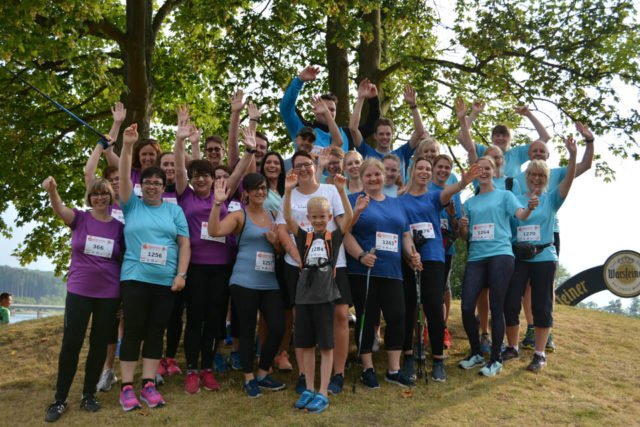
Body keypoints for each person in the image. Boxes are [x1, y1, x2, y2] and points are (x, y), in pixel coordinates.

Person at [175, 114, 255, 393]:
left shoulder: (222, 195)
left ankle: (208, 367)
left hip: (222, 267)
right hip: (195, 265)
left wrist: (250, 150)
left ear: (212, 178)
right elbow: (179, 162)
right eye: (196, 175)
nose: (201, 179)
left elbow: (238, 172)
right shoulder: (185, 195)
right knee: (194, 318)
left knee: (214, 318)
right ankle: (192, 369)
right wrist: (180, 138)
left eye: (205, 175)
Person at [117, 123, 190, 411]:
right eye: (147, 182)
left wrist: (181, 275)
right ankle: (126, 387)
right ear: (141, 185)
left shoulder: (174, 210)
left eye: (157, 183)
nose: (152, 186)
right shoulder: (131, 205)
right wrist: (127, 145)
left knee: (156, 330)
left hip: (165, 282)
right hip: (135, 278)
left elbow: (185, 244)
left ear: (163, 186)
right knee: (133, 329)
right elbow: (123, 174)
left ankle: (148, 383)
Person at [42, 176, 124, 422]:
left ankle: (89, 395)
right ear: (90, 198)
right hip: (79, 292)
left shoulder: (119, 228)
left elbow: (123, 260)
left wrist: (123, 300)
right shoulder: (80, 218)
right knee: (71, 343)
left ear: (110, 197)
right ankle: (60, 399)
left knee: (99, 344)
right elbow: (59, 209)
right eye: (95, 194)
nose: (100, 197)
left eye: (104, 193)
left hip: (109, 294)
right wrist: (53, 191)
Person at [275, 150, 352, 396]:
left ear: (314, 164)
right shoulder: (290, 195)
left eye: (307, 164)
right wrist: (300, 258)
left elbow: (345, 223)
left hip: (333, 266)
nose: (303, 169)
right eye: (298, 166)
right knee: (303, 320)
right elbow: (284, 225)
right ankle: (305, 378)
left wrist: (342, 191)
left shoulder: (330, 190)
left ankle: (335, 375)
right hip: (301, 268)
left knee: (339, 315)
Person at [514, 122, 594, 351]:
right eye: (534, 150)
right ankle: (531, 327)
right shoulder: (518, 178)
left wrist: (588, 143)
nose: (538, 153)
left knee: (544, 284)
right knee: (525, 284)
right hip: (522, 236)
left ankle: (545, 330)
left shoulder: (557, 173)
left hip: (549, 234)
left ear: (548, 154)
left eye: (542, 151)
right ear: (528, 153)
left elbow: (586, 165)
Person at [399, 157, 479, 382]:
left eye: (428, 169)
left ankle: (438, 360)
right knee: (409, 307)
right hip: (408, 257)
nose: (424, 172)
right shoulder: (401, 200)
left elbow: (449, 191)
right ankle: (407, 358)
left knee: (434, 307)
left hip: (434, 257)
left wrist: (463, 183)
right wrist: (409, 255)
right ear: (413, 171)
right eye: (420, 168)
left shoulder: (435, 196)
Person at [343, 158, 421, 389]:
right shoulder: (352, 200)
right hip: (364, 270)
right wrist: (359, 255)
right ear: (362, 178)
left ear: (383, 176)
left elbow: (404, 235)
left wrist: (411, 255)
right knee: (367, 318)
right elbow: (345, 232)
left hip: (393, 271)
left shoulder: (396, 203)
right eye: (369, 175)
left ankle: (394, 370)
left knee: (397, 317)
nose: (374, 178)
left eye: (377, 174)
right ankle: (367, 366)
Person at [457, 156, 538, 377]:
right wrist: (462, 226)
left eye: (487, 168)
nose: (483, 171)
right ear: (474, 173)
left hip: (500, 255)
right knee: (466, 306)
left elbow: (521, 216)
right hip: (476, 257)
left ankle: (496, 359)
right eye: (479, 168)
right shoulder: (469, 203)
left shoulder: (505, 195)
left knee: (496, 306)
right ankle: (475, 353)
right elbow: (465, 235)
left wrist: (529, 208)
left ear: (494, 171)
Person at [503, 135, 578, 371]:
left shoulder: (552, 199)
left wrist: (573, 155)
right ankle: (512, 347)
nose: (536, 178)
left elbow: (569, 179)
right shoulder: (514, 198)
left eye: (541, 176)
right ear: (526, 177)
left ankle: (539, 352)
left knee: (541, 306)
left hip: (544, 257)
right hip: (518, 257)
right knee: (511, 303)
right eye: (533, 175)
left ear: (547, 179)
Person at [209, 173, 286, 398]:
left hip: (269, 282)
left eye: (263, 188)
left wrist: (276, 245)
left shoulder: (273, 215)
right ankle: (249, 377)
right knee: (246, 330)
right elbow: (214, 231)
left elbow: (280, 251)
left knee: (278, 326)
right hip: (244, 281)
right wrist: (217, 204)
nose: (260, 192)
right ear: (247, 193)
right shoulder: (239, 216)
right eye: (255, 189)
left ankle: (263, 372)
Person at [280, 65, 380, 153]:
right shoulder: (302, 129)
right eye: (324, 108)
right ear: (315, 110)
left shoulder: (346, 134)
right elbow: (286, 108)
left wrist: (373, 100)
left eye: (332, 110)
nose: (327, 111)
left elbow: (371, 126)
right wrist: (299, 80)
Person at [458, 99, 551, 177]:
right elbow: (462, 138)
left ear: (510, 138)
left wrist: (529, 114)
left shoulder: (517, 153)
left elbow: (544, 137)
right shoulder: (484, 151)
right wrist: (473, 114)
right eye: (497, 135)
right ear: (492, 138)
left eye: (504, 136)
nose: (500, 138)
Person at [350, 82, 425, 177]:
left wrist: (413, 105)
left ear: (392, 135)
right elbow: (353, 129)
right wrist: (361, 98)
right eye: (381, 134)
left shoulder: (402, 153)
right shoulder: (366, 152)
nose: (385, 137)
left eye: (388, 134)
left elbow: (420, 132)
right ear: (375, 136)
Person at [430, 155, 462, 348]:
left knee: (441, 291)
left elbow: (457, 228)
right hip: (425, 248)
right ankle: (424, 328)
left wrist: (452, 217)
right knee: (426, 292)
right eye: (439, 167)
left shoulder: (454, 193)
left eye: (447, 167)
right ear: (433, 168)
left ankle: (441, 329)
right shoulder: (425, 188)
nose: (443, 170)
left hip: (445, 249)